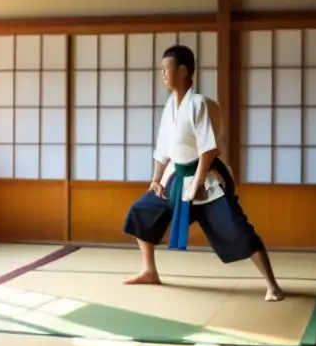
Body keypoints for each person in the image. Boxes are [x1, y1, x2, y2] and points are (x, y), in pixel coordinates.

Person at [122, 44, 285, 302]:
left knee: (237, 228)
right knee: (142, 211)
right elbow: (163, 148)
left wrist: (197, 183)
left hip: (205, 177)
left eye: (167, 68)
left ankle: (272, 285)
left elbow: (209, 150)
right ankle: (149, 270)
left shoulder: (197, 104)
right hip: (176, 178)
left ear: (184, 71)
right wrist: (155, 179)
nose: (162, 73)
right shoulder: (169, 107)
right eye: (161, 69)